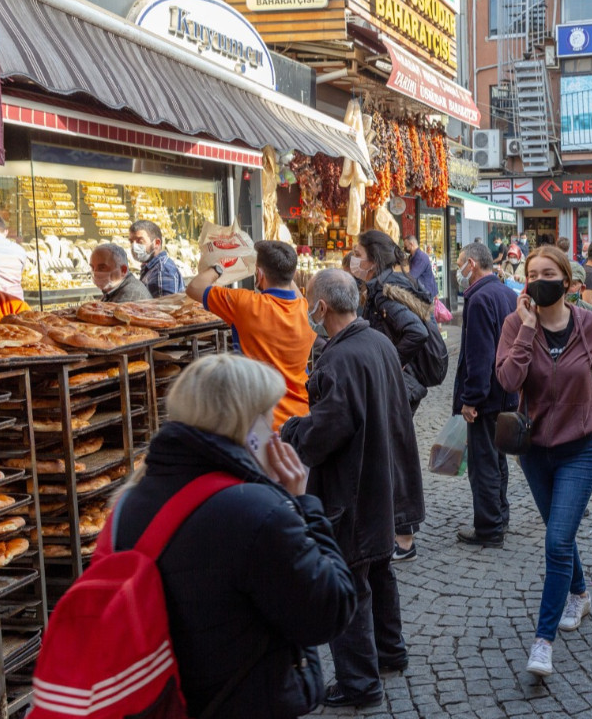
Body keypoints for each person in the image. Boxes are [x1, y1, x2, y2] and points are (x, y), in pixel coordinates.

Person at [111, 354, 355, 718]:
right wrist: (304, 505)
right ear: (246, 427)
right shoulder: (258, 512)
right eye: (267, 416)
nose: (275, 429)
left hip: (161, 700)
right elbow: (331, 609)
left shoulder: (128, 500)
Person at [279, 270, 414, 709]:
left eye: (308, 302)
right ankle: (390, 655)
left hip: (353, 487)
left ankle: (360, 683)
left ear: (321, 308)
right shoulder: (376, 341)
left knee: (353, 578)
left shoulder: (342, 356)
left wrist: (293, 430)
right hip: (381, 477)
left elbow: (328, 430)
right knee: (378, 568)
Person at [495, 246, 592, 677]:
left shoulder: (589, 322)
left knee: (555, 542)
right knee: (561, 532)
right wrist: (528, 330)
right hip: (533, 452)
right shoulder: (515, 324)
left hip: (579, 448)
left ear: (568, 280)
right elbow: (508, 381)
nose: (538, 280)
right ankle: (581, 592)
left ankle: (542, 642)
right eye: (531, 273)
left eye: (548, 273)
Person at [345, 231, 429, 562]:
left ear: (373, 259)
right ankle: (393, 529)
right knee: (389, 454)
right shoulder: (387, 283)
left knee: (396, 456)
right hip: (398, 383)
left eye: (357, 253)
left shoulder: (383, 290)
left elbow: (416, 333)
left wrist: (388, 364)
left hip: (398, 386)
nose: (354, 259)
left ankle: (404, 538)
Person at [188, 240, 315, 431]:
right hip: (301, 417)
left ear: (259, 274)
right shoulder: (305, 310)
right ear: (293, 275)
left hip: (261, 422)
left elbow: (194, 287)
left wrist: (220, 265)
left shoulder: (245, 303)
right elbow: (293, 290)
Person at [452, 243, 519, 548]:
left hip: (487, 396)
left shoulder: (479, 300)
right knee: (498, 459)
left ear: (471, 264)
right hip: (506, 393)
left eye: (459, 264)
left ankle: (489, 528)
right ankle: (500, 517)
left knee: (484, 464)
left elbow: (480, 356)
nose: (458, 271)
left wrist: (470, 400)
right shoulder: (507, 294)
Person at [129, 220, 184, 298]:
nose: (134, 246)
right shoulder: (150, 267)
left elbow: (165, 307)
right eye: (131, 242)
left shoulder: (162, 270)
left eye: (140, 241)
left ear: (157, 243)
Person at [403, 235, 438, 301]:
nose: (405, 248)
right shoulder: (412, 257)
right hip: (422, 291)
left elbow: (412, 276)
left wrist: (399, 278)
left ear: (411, 244)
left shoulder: (421, 257)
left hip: (427, 292)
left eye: (406, 246)